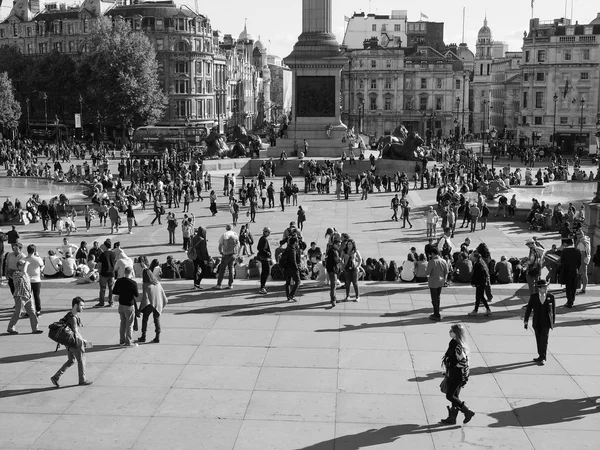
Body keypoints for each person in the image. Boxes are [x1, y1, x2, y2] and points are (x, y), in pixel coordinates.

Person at [50, 297, 93, 387]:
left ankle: (56, 377)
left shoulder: (68, 315)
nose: (83, 308)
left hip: (68, 343)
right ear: (75, 305)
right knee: (81, 361)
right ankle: (82, 380)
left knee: (71, 360)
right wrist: (83, 341)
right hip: (75, 343)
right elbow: (76, 331)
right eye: (81, 306)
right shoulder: (73, 318)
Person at [440, 324, 474, 425]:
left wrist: (454, 368)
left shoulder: (458, 346)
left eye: (452, 330)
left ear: (456, 333)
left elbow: (463, 361)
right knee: (454, 396)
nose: (450, 332)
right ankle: (452, 418)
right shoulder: (453, 342)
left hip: (457, 375)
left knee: (449, 395)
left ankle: (467, 411)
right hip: (453, 373)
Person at [524, 279, 556, 366]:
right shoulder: (534, 297)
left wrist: (552, 322)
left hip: (546, 323)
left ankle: (543, 357)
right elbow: (529, 309)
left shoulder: (551, 297)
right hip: (537, 322)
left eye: (546, 287)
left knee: (544, 340)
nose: (546, 289)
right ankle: (540, 355)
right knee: (538, 339)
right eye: (543, 287)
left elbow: (553, 311)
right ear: (539, 288)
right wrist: (526, 321)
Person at [6, 260, 43, 335]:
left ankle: (35, 328)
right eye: (22, 265)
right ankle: (10, 328)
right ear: (18, 266)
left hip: (27, 296)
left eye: (23, 264)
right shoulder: (16, 273)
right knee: (18, 312)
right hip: (20, 296)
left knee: (32, 312)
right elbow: (23, 273)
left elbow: (28, 284)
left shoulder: (26, 274)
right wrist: (26, 264)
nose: (24, 266)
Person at [138, 268, 168, 344]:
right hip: (158, 303)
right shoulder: (157, 283)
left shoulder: (145, 284)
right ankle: (157, 337)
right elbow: (162, 294)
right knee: (156, 319)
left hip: (150, 304)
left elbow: (145, 298)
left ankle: (143, 336)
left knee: (145, 319)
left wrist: (140, 309)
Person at [113, 266, 139, 347]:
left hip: (121, 305)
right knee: (129, 324)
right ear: (131, 272)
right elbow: (137, 294)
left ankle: (122, 340)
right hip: (129, 305)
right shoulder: (133, 283)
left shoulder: (119, 281)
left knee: (122, 323)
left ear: (124, 272)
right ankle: (128, 341)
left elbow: (114, 291)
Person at [425, 247, 449, 321]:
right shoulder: (443, 261)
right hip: (441, 281)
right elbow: (446, 271)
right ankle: (437, 312)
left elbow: (427, 273)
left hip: (433, 282)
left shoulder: (431, 262)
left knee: (434, 298)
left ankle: (436, 313)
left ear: (432, 253)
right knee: (438, 297)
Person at [214, 224, 239, 289]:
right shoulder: (235, 234)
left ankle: (219, 284)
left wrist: (221, 252)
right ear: (232, 228)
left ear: (226, 228)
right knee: (231, 269)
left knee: (222, 269)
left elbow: (220, 245)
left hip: (226, 254)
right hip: (233, 254)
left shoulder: (224, 235)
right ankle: (230, 284)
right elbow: (238, 245)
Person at [468, 251, 492, 317]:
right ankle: (477, 310)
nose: (471, 257)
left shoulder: (478, 264)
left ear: (475, 258)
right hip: (482, 282)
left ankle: (486, 309)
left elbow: (478, 275)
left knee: (480, 296)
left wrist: (475, 283)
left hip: (480, 283)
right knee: (479, 297)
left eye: (473, 257)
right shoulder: (481, 263)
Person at [560, 238, 582, 308]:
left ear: (566, 244)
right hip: (575, 271)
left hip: (567, 271)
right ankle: (572, 299)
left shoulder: (564, 251)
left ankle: (569, 301)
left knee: (568, 286)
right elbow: (579, 262)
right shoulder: (578, 251)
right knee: (574, 286)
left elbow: (562, 261)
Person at [24, 244, 44, 316]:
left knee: (28, 296)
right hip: (36, 280)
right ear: (34, 251)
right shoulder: (37, 259)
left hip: (27, 280)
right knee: (36, 296)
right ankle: (38, 311)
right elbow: (42, 265)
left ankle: (28, 311)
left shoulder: (24, 259)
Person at [95, 239, 116, 307]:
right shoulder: (113, 253)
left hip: (104, 273)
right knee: (111, 289)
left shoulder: (103, 254)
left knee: (102, 289)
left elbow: (100, 264)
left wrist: (98, 271)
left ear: (105, 246)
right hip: (111, 273)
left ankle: (101, 302)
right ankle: (111, 302)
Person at [282, 236, 301, 302]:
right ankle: (291, 295)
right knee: (298, 281)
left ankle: (288, 296)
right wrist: (297, 268)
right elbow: (294, 260)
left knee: (288, 282)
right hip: (292, 268)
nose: (297, 243)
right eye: (297, 242)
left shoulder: (287, 248)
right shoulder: (292, 250)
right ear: (295, 242)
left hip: (286, 268)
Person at [257, 227, 272, 294]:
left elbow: (258, 247)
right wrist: (267, 253)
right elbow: (262, 249)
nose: (269, 233)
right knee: (266, 272)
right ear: (265, 232)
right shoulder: (264, 240)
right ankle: (262, 287)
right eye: (268, 232)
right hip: (265, 258)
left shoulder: (262, 238)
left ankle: (263, 286)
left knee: (264, 272)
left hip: (262, 258)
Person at [576, 229, 591, 294]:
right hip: (586, 258)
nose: (576, 235)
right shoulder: (586, 239)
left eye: (577, 234)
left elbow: (582, 254)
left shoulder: (581, 242)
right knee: (583, 274)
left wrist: (580, 263)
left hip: (583, 260)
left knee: (583, 274)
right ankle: (580, 287)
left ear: (581, 234)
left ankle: (583, 289)